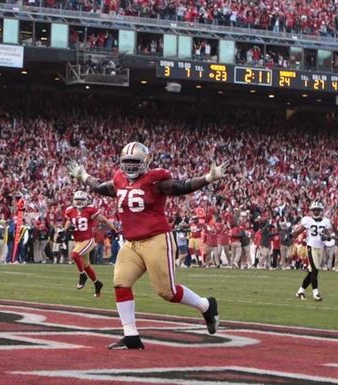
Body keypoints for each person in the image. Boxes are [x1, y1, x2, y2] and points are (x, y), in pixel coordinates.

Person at [68, 142, 226, 350]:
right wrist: (83, 175)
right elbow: (99, 187)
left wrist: (208, 178)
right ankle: (131, 335)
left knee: (167, 292)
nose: (131, 167)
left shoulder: (155, 179)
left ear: (146, 161)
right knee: (121, 282)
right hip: (132, 243)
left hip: (156, 239)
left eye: (135, 162)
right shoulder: (119, 179)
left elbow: (181, 186)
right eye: (127, 162)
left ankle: (206, 306)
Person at [64, 190, 116, 297]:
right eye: (77, 200)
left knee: (74, 255)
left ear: (86, 200)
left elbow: (105, 220)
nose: (78, 202)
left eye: (81, 200)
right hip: (78, 241)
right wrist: (66, 230)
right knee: (87, 266)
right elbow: (68, 223)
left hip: (88, 240)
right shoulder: (70, 210)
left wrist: (114, 230)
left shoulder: (90, 210)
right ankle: (97, 284)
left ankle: (82, 276)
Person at [291, 201, 334, 301]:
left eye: (318, 210)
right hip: (311, 246)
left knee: (312, 272)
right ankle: (316, 294)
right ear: (311, 211)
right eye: (314, 210)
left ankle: (300, 291)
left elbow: (329, 234)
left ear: (321, 210)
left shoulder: (325, 221)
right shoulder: (308, 220)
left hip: (321, 247)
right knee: (315, 270)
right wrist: (290, 235)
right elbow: (299, 231)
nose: (316, 212)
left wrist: (328, 238)